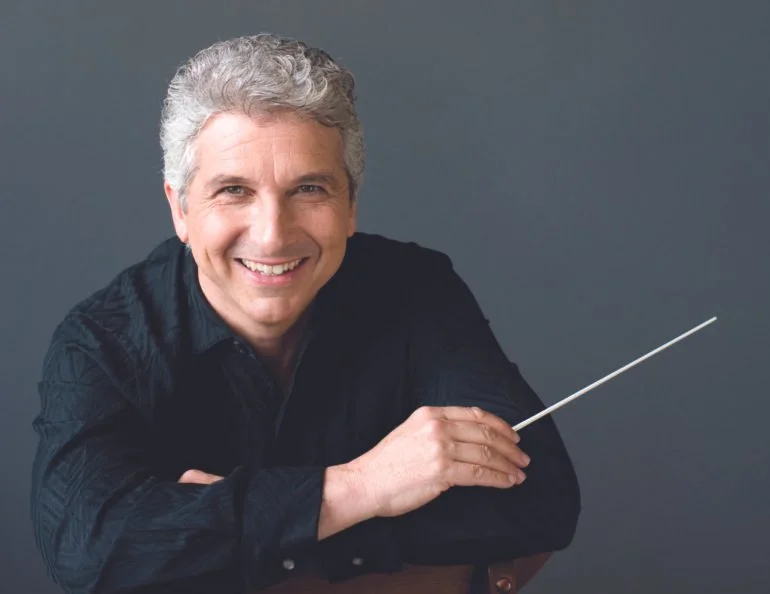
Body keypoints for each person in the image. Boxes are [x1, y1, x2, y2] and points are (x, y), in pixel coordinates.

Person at [30, 34, 580, 593]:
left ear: (350, 206)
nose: (272, 236)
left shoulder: (415, 289)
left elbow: (542, 502)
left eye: (309, 188)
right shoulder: (103, 342)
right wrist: (362, 489)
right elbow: (89, 551)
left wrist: (219, 531)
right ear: (180, 208)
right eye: (234, 190)